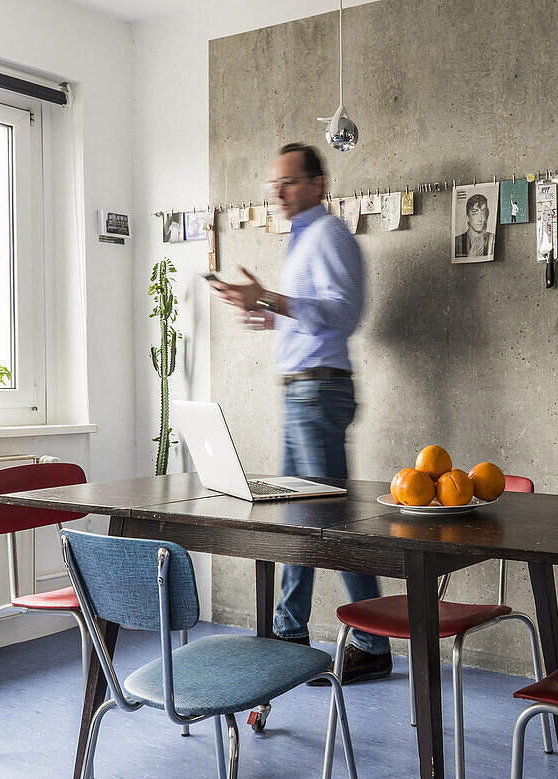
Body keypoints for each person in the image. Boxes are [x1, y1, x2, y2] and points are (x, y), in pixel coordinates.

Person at [208, 143, 391, 685]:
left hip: (318, 393)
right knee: (301, 516)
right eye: (273, 186)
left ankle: (371, 643)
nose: (279, 194)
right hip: (301, 391)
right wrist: (267, 312)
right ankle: (290, 634)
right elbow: (313, 319)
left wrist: (273, 300)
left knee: (330, 520)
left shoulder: (329, 234)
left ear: (317, 183)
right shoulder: (303, 239)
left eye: (288, 182)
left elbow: (345, 313)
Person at [453, 193, 495, 257]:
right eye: (475, 213)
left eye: (483, 212)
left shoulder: (493, 238)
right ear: (467, 217)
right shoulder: (456, 242)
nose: (480, 219)